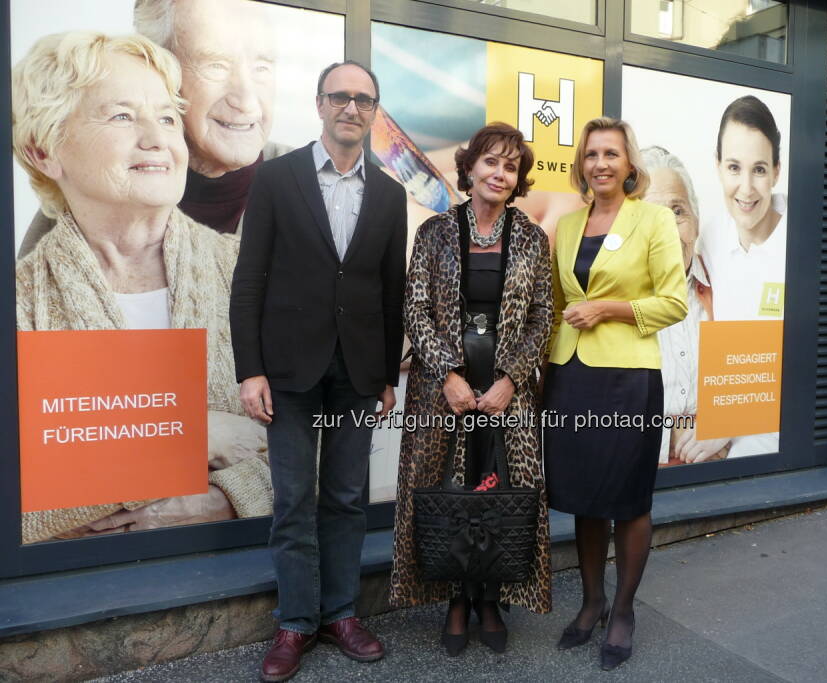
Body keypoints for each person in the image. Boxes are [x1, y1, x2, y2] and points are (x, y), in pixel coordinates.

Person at [11, 31, 272, 544]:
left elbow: (321, 449)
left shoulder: (248, 273)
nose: (158, 139)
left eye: (168, 118)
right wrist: (191, 435)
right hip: (87, 591)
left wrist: (230, 498)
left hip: (248, 580)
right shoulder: (20, 303)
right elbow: (16, 493)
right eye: (122, 116)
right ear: (45, 151)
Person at [229, 61, 407, 681]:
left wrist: (386, 375)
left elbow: (391, 290)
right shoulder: (277, 178)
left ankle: (341, 614)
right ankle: (296, 622)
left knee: (347, 497)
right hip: (288, 370)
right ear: (320, 103)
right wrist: (250, 370)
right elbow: (249, 278)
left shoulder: (389, 194)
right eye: (340, 97)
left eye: (363, 99)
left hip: (357, 372)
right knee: (294, 499)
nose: (351, 108)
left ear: (374, 112)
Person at [389, 123, 554, 656]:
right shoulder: (434, 231)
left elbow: (542, 317)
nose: (499, 173)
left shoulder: (531, 238)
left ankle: (490, 597)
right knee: (451, 493)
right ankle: (457, 599)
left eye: (511, 166)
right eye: (491, 162)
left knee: (499, 490)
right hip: (443, 395)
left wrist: (511, 379)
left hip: (508, 395)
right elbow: (415, 309)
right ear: (470, 168)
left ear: (518, 179)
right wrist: (448, 375)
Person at [544, 118, 687, 670]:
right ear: (581, 164)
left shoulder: (653, 220)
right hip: (571, 376)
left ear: (629, 164)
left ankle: (623, 610)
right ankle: (592, 602)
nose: (600, 163)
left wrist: (607, 308)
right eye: (591, 154)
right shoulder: (568, 225)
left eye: (611, 153)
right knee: (584, 495)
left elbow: (673, 302)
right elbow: (559, 304)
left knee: (627, 498)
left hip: (629, 379)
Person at [18, 0, 288, 257]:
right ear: (158, 68)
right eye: (216, 66)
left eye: (262, 68)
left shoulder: (308, 182)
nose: (247, 102)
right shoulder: (88, 195)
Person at [701, 95, 787, 458]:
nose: (747, 188)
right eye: (734, 167)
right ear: (718, 166)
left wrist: (728, 424)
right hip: (720, 425)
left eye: (760, 170)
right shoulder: (710, 237)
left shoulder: (803, 243)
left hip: (777, 438)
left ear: (777, 171)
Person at [640, 146, 729, 465]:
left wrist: (728, 425)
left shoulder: (728, 287)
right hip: (641, 475)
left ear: (696, 220)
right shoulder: (609, 301)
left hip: (724, 469)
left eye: (677, 211)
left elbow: (760, 381)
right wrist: (671, 437)